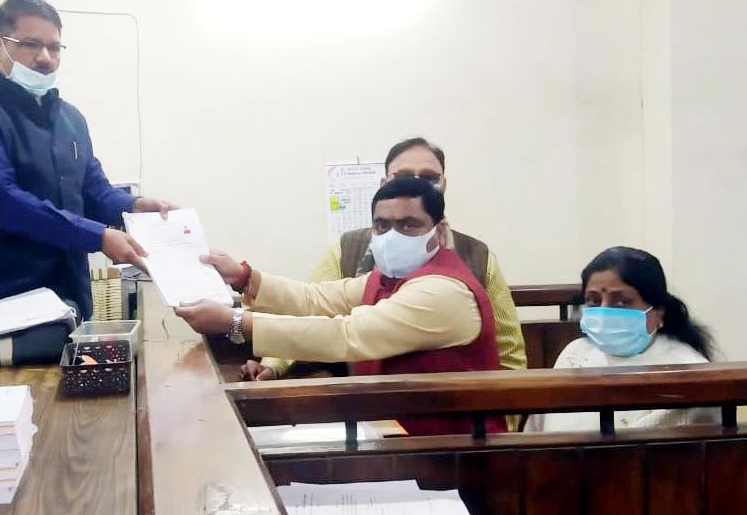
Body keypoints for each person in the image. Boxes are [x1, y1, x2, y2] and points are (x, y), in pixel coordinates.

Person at [176, 177, 506, 436]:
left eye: (409, 225)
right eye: (382, 226)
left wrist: (235, 322)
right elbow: (316, 299)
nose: (393, 236)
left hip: (450, 450)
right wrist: (244, 277)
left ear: (440, 231)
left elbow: (345, 335)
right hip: (392, 430)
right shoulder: (389, 278)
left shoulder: (443, 291)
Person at [0, 0, 175, 319]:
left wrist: (135, 206)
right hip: (4, 301)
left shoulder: (70, 118)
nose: (45, 57)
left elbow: (93, 192)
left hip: (71, 296)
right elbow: (0, 200)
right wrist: (97, 236)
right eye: (30, 45)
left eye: (54, 47)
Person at [245, 137, 525, 381]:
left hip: (444, 415)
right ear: (384, 183)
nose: (415, 184)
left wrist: (501, 417)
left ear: (443, 185)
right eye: (403, 176)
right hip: (373, 403)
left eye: (428, 177)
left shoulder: (475, 259)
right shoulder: (351, 250)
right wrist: (273, 364)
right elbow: (311, 303)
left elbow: (509, 354)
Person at [525, 247, 719, 432]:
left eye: (621, 302)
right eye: (593, 301)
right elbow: (536, 432)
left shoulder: (688, 373)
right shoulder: (575, 354)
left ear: (658, 312)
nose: (604, 312)